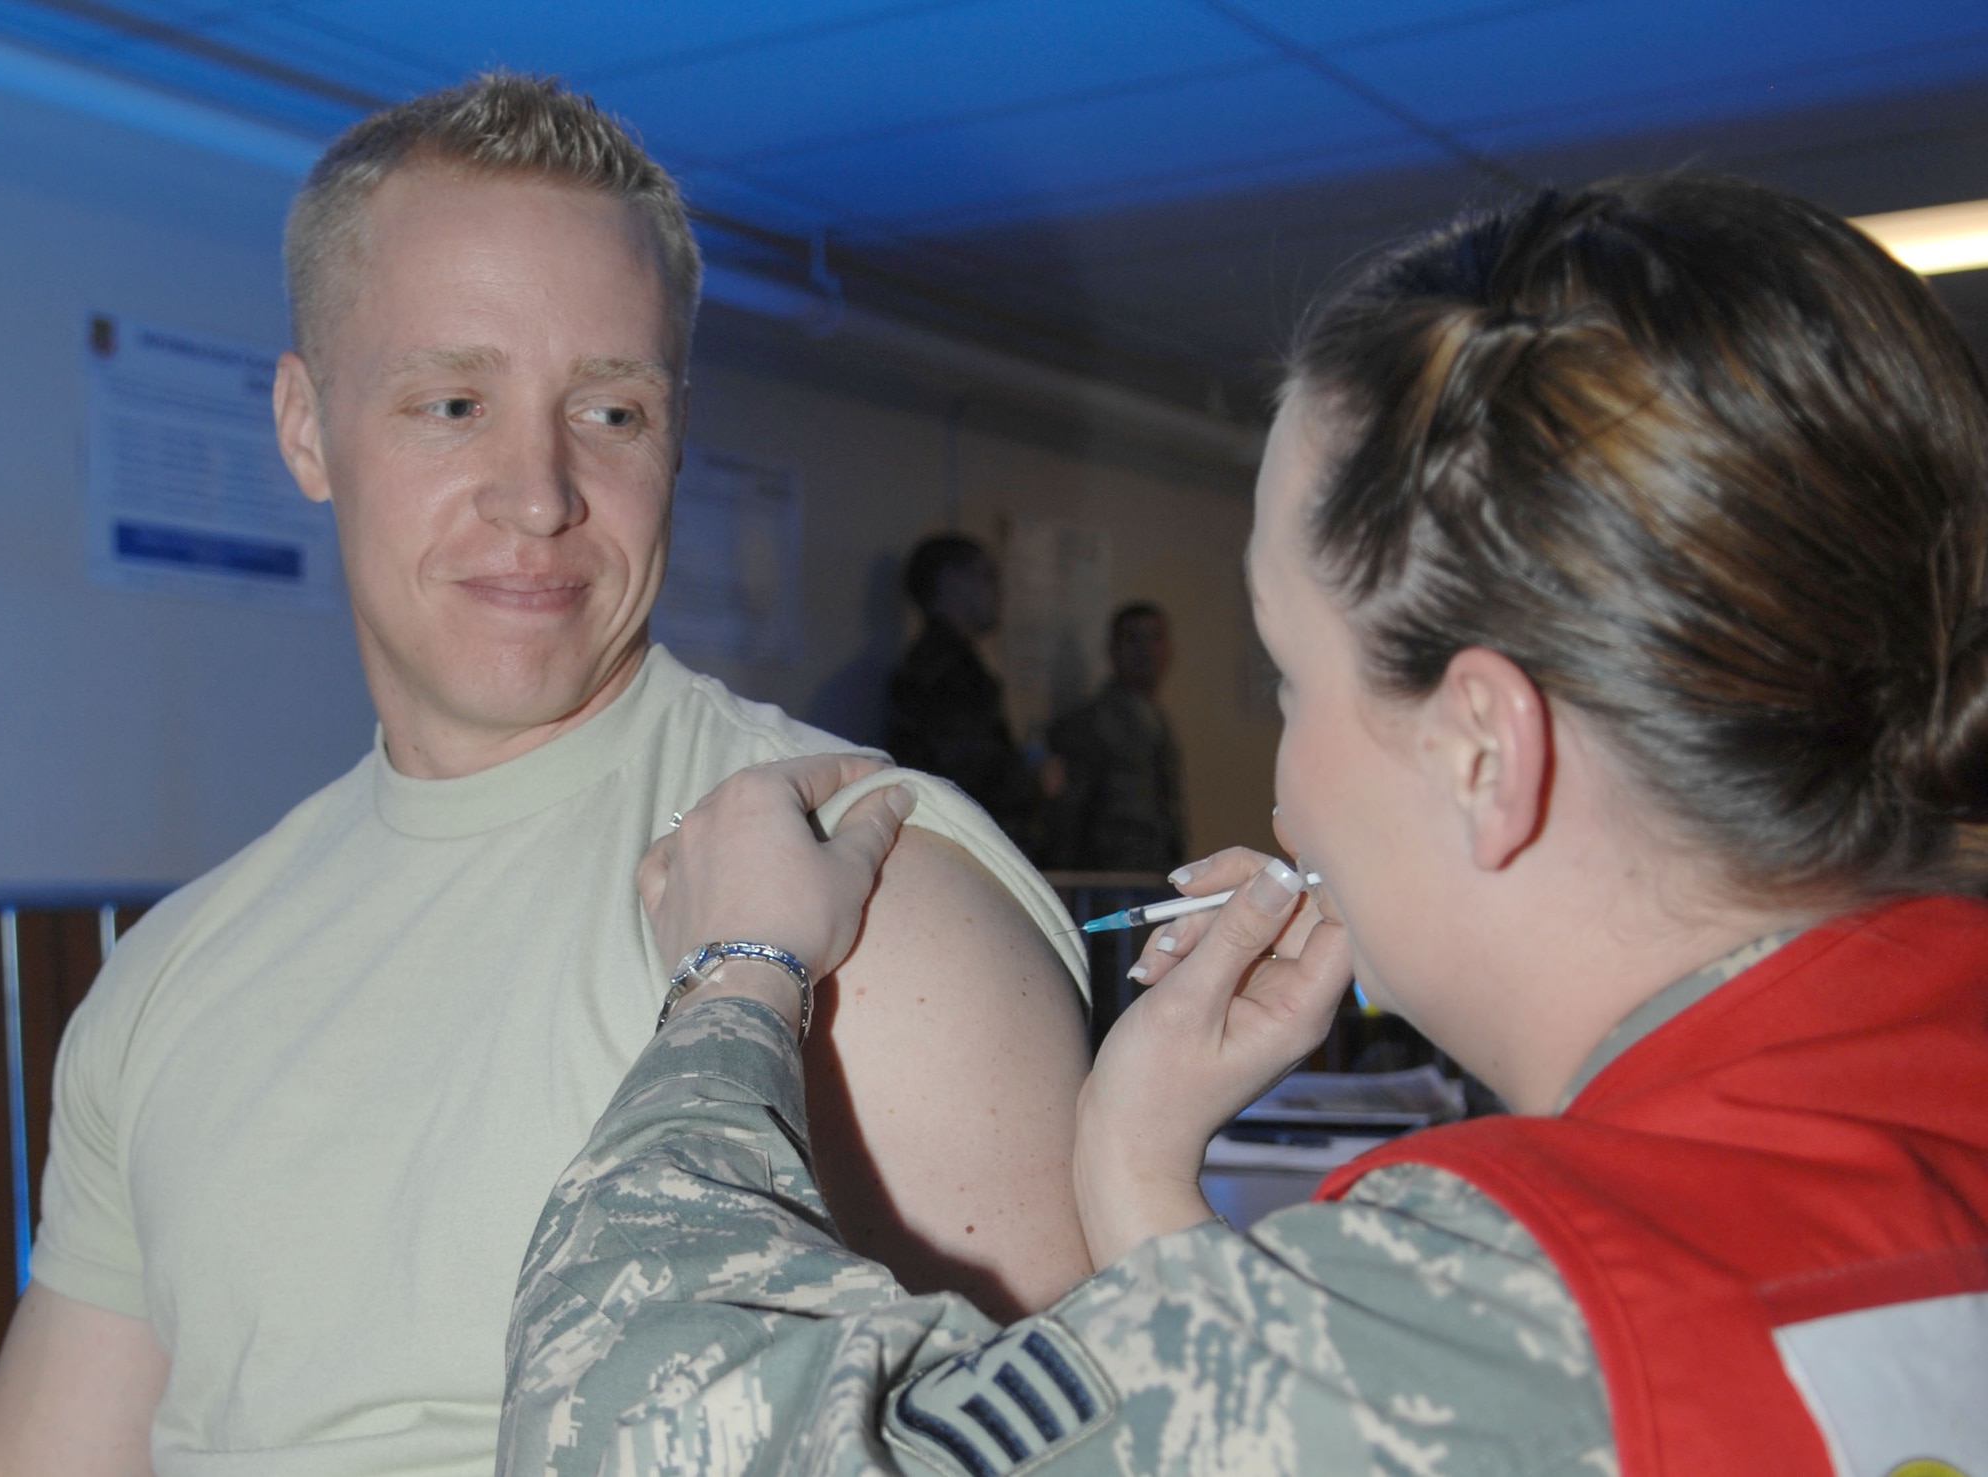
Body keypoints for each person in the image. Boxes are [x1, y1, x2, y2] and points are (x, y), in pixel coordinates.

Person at [500, 174, 1988, 1474]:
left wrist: (739, 970)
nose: (1283, 800)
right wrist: (1135, 1172)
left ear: (1482, 751)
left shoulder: (1492, 1310)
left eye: (1290, 677)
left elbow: (633, 1434)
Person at [0, 75, 1096, 1477]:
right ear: (305, 426)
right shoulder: (168, 981)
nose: (540, 493)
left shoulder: (863, 893)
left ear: (675, 432)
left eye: (612, 412)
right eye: (453, 402)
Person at [884, 534, 1046, 854]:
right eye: (986, 576)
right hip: (966, 846)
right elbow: (971, 774)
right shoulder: (947, 670)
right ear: (951, 580)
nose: (997, 592)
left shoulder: (940, 662)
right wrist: (1034, 779)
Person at [1045, 602, 1186, 873]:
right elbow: (1067, 823)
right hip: (1105, 881)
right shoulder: (1089, 724)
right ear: (1113, 649)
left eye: (1155, 638)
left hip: (1152, 876)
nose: (1145, 651)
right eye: (1133, 639)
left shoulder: (1156, 721)